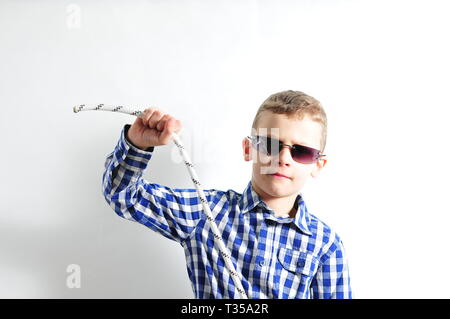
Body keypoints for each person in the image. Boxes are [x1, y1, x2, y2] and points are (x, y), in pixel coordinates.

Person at [102, 90, 352, 299]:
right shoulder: (205, 210)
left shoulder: (326, 245)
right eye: (271, 144)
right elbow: (124, 195)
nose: (283, 159)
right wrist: (137, 144)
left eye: (301, 152)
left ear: (318, 164)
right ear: (248, 149)